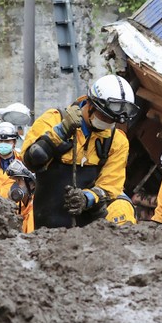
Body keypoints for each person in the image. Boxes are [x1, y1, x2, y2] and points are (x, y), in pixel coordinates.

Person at [22, 74, 139, 229]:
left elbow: (110, 185)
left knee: (123, 205)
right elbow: (32, 159)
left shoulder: (116, 141)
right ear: (90, 105)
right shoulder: (53, 119)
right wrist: (61, 132)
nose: (108, 123)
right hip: (47, 224)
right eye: (104, 116)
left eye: (113, 120)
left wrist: (87, 197)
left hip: (87, 233)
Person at [5, 160, 36, 233]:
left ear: (32, 184)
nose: (15, 186)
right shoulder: (22, 207)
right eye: (14, 181)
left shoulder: (34, 211)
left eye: (19, 180)